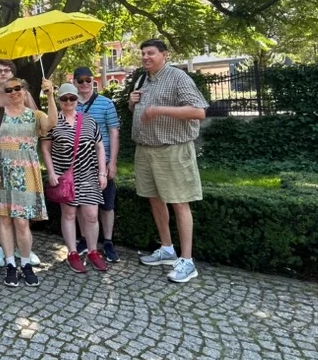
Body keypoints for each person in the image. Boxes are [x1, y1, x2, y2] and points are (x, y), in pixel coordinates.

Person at [130, 39, 209, 284]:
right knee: (154, 199)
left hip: (173, 149)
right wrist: (133, 104)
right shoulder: (144, 79)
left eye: (151, 53)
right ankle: (167, 249)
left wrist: (160, 110)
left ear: (165, 54)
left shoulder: (178, 77)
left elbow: (199, 111)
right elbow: (141, 112)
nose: (145, 57)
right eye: (143, 53)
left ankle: (187, 261)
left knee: (179, 203)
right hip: (146, 150)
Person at [0, 76, 57, 288]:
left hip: (27, 174)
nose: (14, 92)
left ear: (25, 91)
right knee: (5, 220)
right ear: (5, 93)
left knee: (23, 222)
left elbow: (52, 123)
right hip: (3, 173)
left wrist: (51, 94)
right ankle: (10, 264)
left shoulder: (36, 115)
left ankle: (25, 264)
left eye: (18, 88)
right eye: (9, 90)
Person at [0, 59, 42, 268]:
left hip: (19, 155)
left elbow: (36, 120)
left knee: (21, 204)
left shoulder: (21, 91)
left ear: (13, 73)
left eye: (7, 70)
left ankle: (23, 248)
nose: (3, 73)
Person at [43, 83, 108, 273]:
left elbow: (100, 147)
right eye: (64, 99)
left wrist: (102, 172)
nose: (68, 102)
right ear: (59, 100)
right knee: (69, 214)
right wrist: (52, 172)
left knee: (91, 216)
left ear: (77, 99)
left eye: (72, 98)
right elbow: (45, 150)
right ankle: (72, 252)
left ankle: (93, 250)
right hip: (65, 176)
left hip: (88, 174)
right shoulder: (53, 122)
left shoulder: (88, 120)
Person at [73, 66, 122, 263]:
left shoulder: (106, 103)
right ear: (75, 82)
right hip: (78, 164)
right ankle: (85, 239)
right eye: (81, 80)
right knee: (79, 205)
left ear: (92, 81)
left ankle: (108, 242)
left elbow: (114, 132)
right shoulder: (70, 103)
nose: (85, 84)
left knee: (106, 205)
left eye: (88, 80)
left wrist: (113, 162)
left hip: (102, 162)